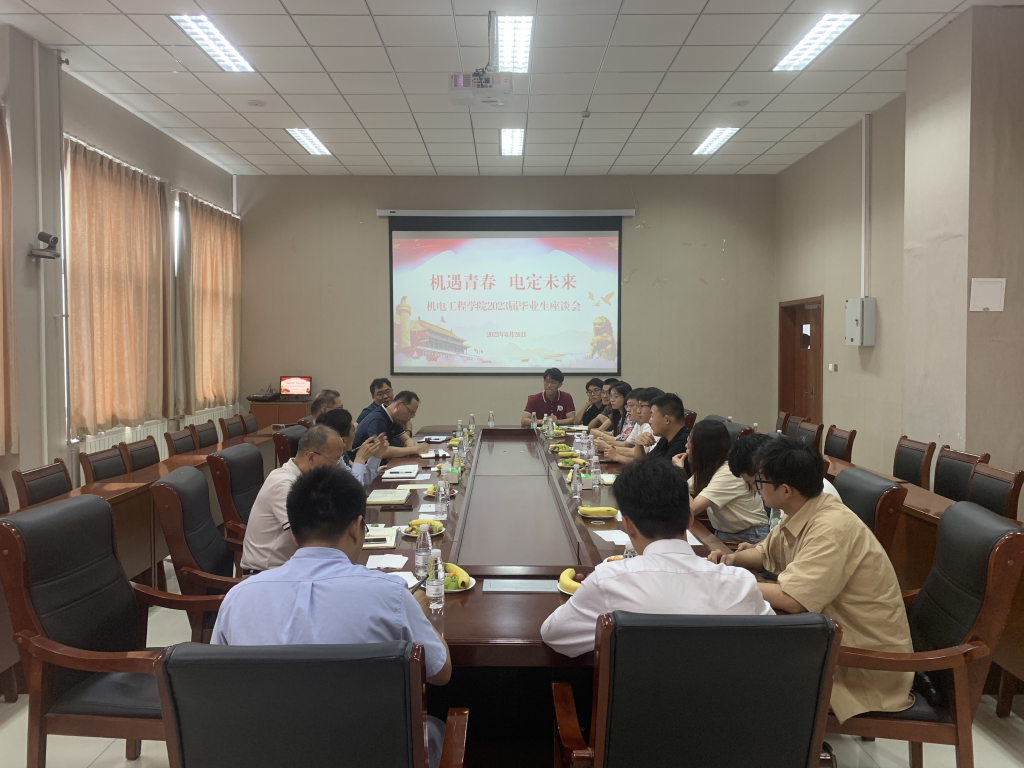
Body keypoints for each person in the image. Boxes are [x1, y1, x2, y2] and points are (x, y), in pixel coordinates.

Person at [213, 465, 452, 768]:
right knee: (438, 727)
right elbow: (441, 672)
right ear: (356, 527)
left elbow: (220, 689)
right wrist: (419, 612)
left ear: (294, 531)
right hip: (369, 752)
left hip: (267, 753)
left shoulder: (238, 598)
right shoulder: (391, 595)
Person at [707, 437, 914, 723]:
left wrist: (726, 582)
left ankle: (790, 741)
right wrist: (730, 561)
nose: (756, 488)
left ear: (785, 490)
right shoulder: (805, 509)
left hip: (863, 666)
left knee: (737, 669)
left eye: (760, 482)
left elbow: (793, 601)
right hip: (830, 636)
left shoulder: (832, 528)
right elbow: (766, 552)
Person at [540, 458, 773, 657]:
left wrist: (585, 595)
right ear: (690, 519)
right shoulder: (742, 584)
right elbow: (774, 645)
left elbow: (553, 634)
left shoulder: (608, 581)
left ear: (627, 525)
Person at [241, 425, 346, 574]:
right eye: (334, 461)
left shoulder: (308, 480)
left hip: (291, 568)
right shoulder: (283, 485)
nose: (338, 467)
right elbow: (309, 536)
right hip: (266, 574)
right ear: (311, 457)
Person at [673, 420, 770, 543]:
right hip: (725, 532)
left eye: (690, 441)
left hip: (749, 536)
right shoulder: (710, 469)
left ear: (704, 447)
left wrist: (679, 473)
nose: (686, 445)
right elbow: (681, 491)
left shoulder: (727, 473)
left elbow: (690, 509)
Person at [727, 433, 840, 531]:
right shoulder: (783, 495)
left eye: (757, 481)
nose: (757, 489)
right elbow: (777, 543)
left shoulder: (819, 511)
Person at [315, 408, 388, 489]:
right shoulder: (326, 461)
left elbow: (362, 481)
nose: (355, 433)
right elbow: (354, 488)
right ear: (343, 440)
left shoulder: (339, 457)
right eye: (353, 430)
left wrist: (376, 456)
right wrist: (360, 459)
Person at [352, 390, 429, 458]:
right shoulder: (377, 419)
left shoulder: (394, 418)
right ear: (398, 405)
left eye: (412, 415)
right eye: (410, 412)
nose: (409, 418)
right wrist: (413, 450)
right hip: (358, 465)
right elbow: (380, 451)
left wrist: (411, 447)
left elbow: (406, 439)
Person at [647, 393, 690, 463]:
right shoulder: (665, 439)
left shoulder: (684, 443)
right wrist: (639, 445)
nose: (649, 421)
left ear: (667, 420)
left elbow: (661, 469)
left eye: (652, 416)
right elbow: (646, 462)